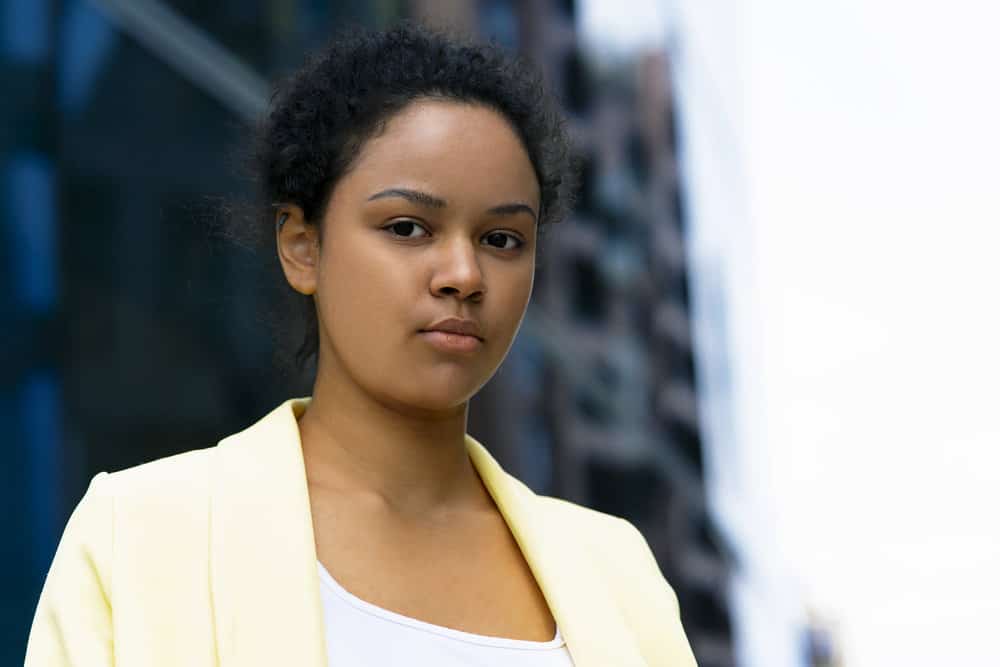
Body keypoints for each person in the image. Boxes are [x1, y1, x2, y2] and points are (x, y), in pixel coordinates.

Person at [24, 22, 697, 667]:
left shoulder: (615, 568)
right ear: (302, 246)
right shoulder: (139, 534)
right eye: (408, 227)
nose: (463, 274)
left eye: (501, 239)